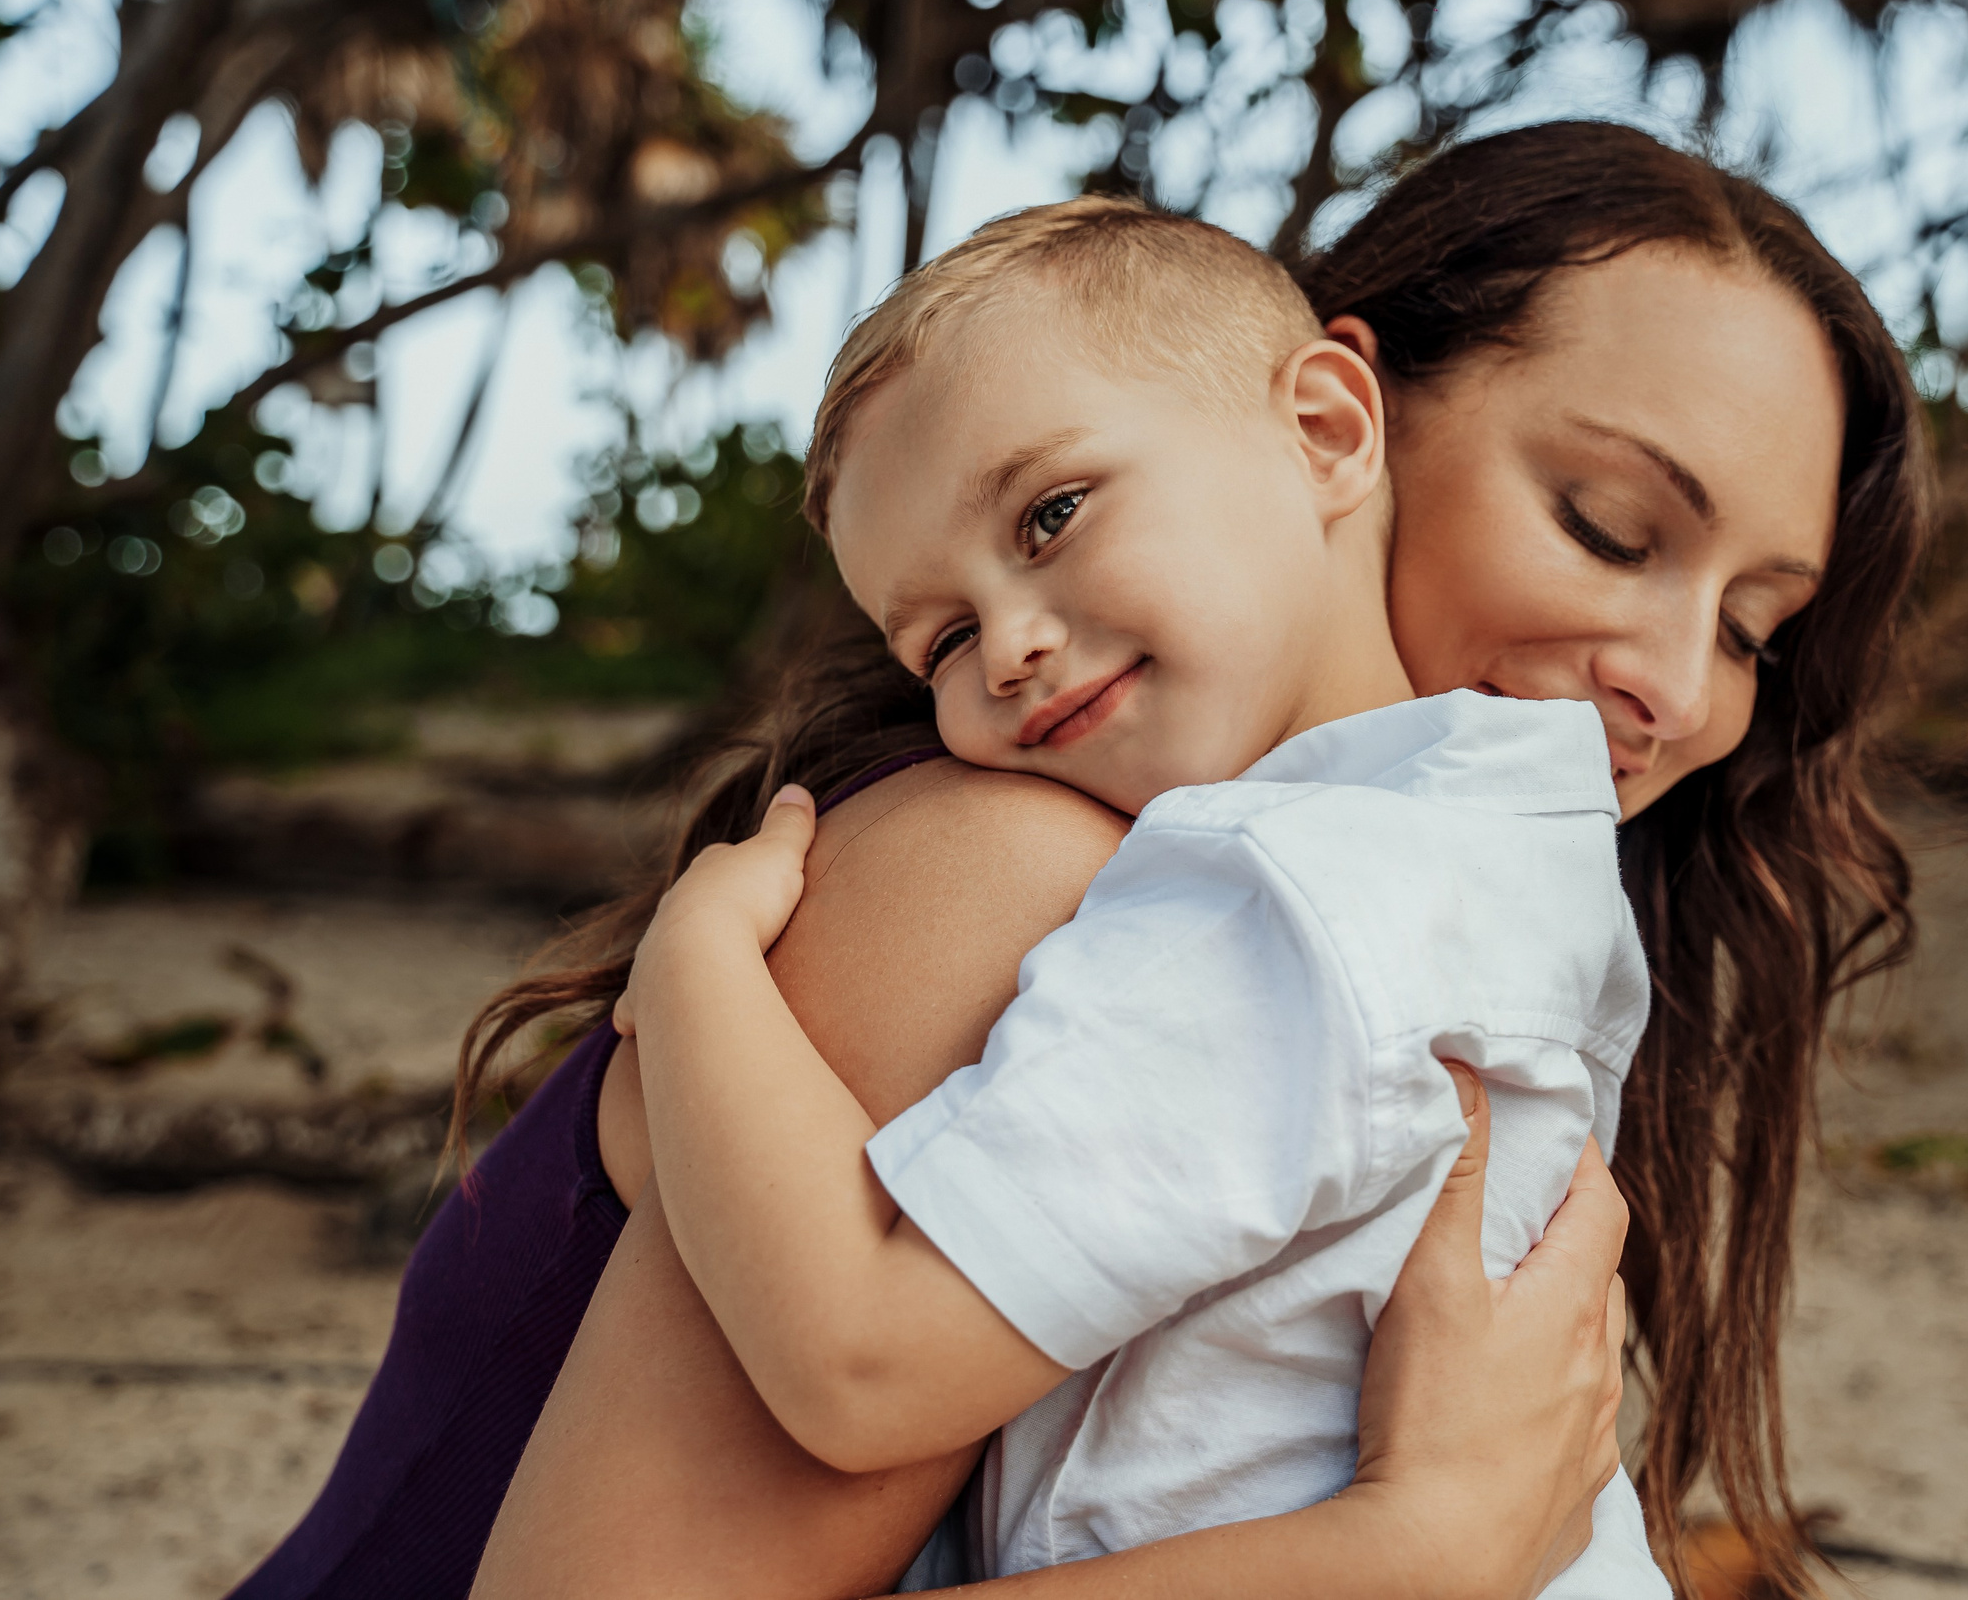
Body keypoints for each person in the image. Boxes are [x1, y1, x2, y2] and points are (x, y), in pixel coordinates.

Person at [233, 118, 1924, 1600]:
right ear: (1345, 419)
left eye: (1760, 629)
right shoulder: (1006, 867)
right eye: (1610, 528)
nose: (1681, 684)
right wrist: (1408, 1557)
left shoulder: (1424, 938)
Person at [609, 196, 1665, 1589]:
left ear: (1329, 432)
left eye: (1052, 513)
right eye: (943, 638)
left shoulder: (1290, 906)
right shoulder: (1485, 854)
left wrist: (696, 974)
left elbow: (857, 1366)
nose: (1010, 651)